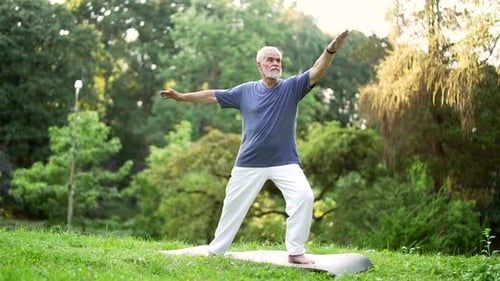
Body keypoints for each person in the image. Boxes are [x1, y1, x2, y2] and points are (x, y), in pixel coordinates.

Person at [160, 30, 349, 264]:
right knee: (232, 206)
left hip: (284, 160)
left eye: (278, 60)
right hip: (248, 162)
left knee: (304, 197)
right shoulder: (244, 91)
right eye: (270, 59)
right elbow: (212, 96)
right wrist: (182, 97)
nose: (275, 63)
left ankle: (296, 252)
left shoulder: (291, 88)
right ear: (260, 65)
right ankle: (217, 250)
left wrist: (330, 49)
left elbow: (317, 70)